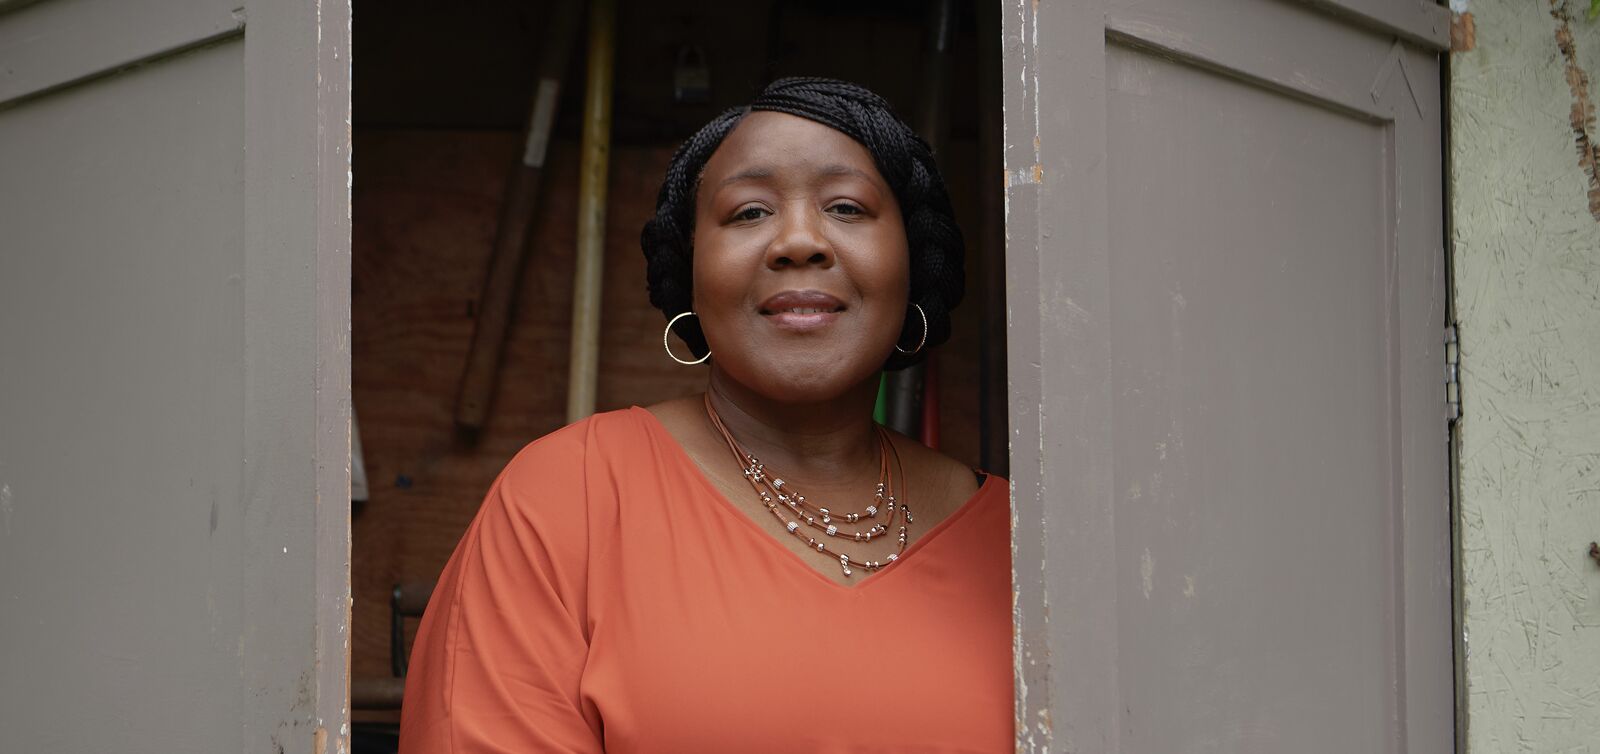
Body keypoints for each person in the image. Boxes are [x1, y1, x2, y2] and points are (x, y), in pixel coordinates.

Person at [399, 77, 1011, 753]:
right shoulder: (566, 498)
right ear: (690, 271)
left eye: (847, 206)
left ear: (912, 265)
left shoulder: (1020, 545)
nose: (800, 241)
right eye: (749, 213)